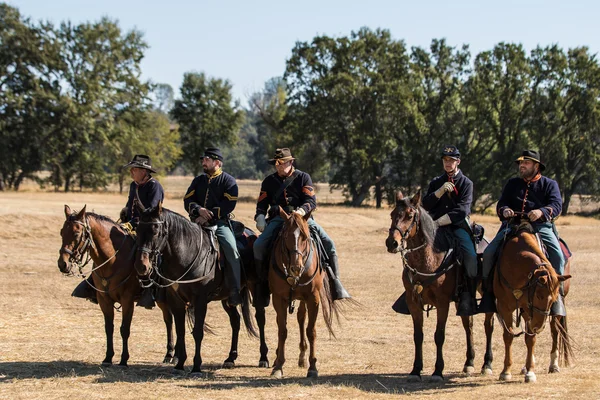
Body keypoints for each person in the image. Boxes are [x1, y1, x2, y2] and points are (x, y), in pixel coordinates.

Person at [252, 148, 351, 308]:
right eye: (276, 163)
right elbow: (262, 204)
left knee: (329, 244)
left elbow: (311, 201)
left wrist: (300, 212)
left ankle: (335, 283)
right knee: (258, 246)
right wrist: (260, 217)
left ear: (291, 162)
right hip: (279, 219)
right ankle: (262, 284)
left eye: (281, 163)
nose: (278, 166)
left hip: (302, 219)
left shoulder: (303, 177)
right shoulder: (268, 181)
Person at [72, 154, 164, 309]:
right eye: (132, 169)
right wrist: (125, 219)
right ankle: (94, 284)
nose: (131, 172)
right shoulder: (134, 185)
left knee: (148, 254)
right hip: (130, 225)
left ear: (144, 171)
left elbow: (150, 212)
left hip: (148, 228)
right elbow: (129, 206)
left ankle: (151, 290)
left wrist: (133, 224)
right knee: (104, 246)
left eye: (134, 169)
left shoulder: (154, 186)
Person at [482, 150, 566, 316]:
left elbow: (556, 205)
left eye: (526, 163)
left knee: (558, 256)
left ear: (536, 166)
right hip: (512, 226)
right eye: (520, 163)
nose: (522, 166)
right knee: (489, 253)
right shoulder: (512, 183)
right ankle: (488, 294)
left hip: (540, 227)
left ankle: (557, 298)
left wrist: (541, 212)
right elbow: (502, 203)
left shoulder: (549, 184)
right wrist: (505, 210)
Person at [183, 147, 242, 307]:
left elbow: (229, 204)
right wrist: (198, 210)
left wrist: (209, 215)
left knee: (231, 249)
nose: (203, 162)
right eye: (203, 160)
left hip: (219, 223)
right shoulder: (198, 181)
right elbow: (187, 200)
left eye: (206, 160)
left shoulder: (229, 181)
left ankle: (235, 290)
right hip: (196, 222)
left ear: (217, 162)